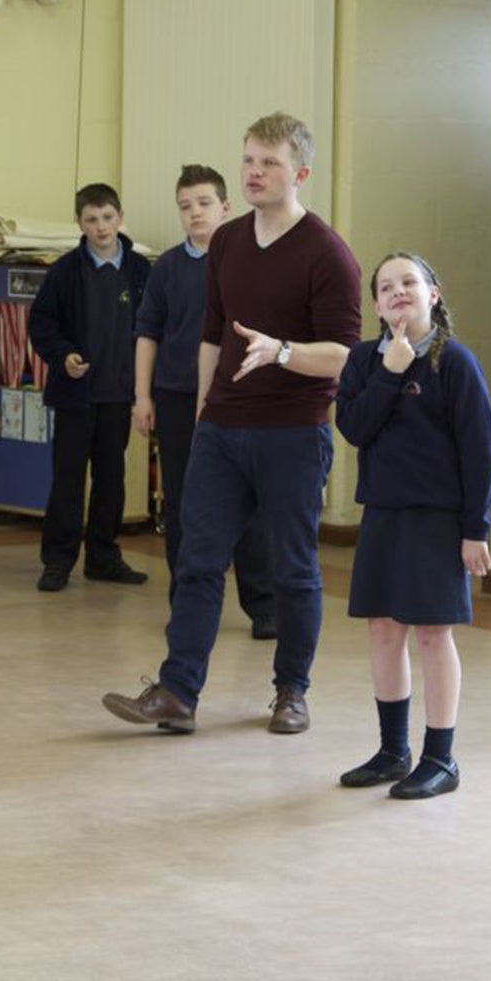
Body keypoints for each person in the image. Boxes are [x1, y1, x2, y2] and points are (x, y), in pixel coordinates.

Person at [101, 112, 360, 735]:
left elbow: (349, 356)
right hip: (221, 429)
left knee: (293, 569)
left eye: (268, 162)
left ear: (299, 172)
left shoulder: (328, 254)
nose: (254, 172)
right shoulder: (229, 242)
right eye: (247, 159)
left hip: (293, 431)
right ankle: (178, 691)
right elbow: (213, 336)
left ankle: (291, 692)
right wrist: (201, 415)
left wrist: (285, 352)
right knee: (196, 559)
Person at [334, 253, 491, 800]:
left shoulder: (455, 363)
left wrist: (475, 528)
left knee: (433, 633)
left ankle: (441, 758)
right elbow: (355, 427)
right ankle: (392, 751)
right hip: (383, 514)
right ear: (378, 306)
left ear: (434, 293)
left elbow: (482, 452)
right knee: (383, 629)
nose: (398, 291)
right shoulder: (363, 361)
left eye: (410, 282)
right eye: (386, 287)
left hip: (438, 520)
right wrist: (389, 372)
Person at [132, 165, 277, 635]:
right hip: (176, 397)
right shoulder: (168, 268)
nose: (194, 213)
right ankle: (189, 605)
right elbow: (147, 333)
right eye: (185, 206)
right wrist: (141, 396)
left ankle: (264, 605)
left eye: (204, 204)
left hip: (237, 395)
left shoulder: (249, 258)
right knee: (183, 500)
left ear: (226, 207)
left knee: (248, 502)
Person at [29, 182, 153, 591]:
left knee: (111, 480)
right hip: (76, 397)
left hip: (120, 394)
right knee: (67, 479)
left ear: (120, 217)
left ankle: (103, 555)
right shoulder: (65, 271)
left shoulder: (140, 271)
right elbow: (42, 323)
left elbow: (153, 329)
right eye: (91, 220)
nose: (100, 227)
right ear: (79, 223)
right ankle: (59, 560)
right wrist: (63, 355)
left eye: (107, 218)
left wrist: (144, 390)